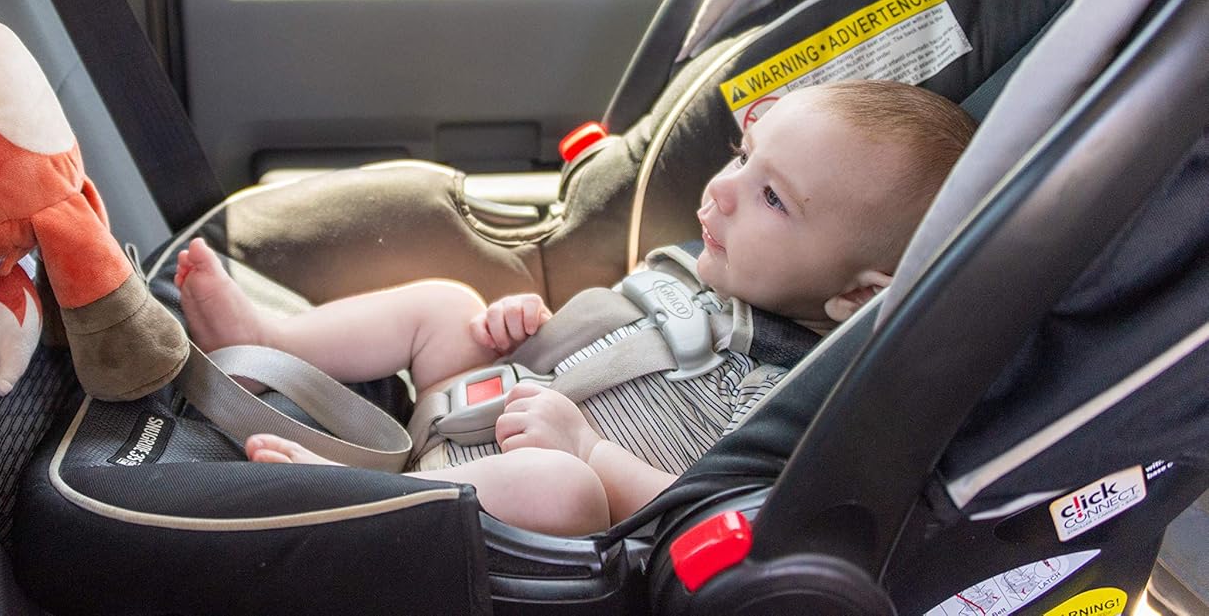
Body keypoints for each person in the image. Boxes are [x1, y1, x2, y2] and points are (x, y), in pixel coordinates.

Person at [174, 80, 977, 535]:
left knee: (563, 488)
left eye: (773, 197)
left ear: (857, 294)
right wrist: (522, 326)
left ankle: (358, 504)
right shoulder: (697, 274)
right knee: (447, 304)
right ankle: (271, 338)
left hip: (530, 512)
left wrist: (589, 451)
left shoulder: (792, 394)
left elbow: (703, 517)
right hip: (481, 408)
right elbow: (598, 344)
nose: (724, 190)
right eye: (743, 156)